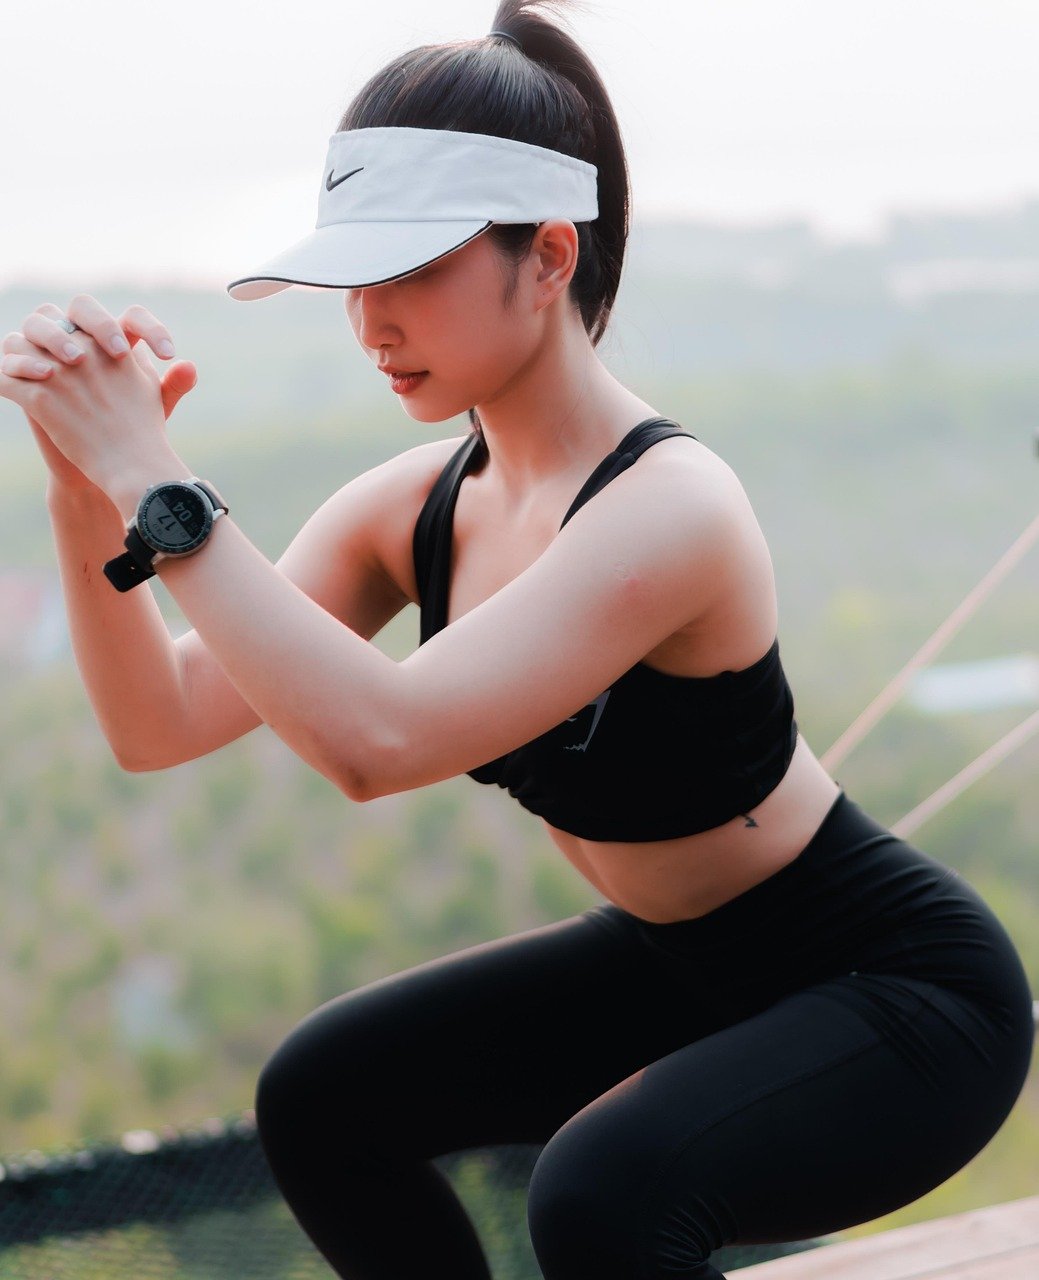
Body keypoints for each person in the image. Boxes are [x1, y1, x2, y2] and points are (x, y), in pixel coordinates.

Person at [1, 3, 1033, 1277]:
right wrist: (80, 488)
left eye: (414, 270)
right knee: (324, 1098)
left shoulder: (669, 505)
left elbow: (377, 741)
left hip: (897, 996)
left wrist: (156, 476)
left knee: (602, 1190)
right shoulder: (415, 510)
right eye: (355, 280)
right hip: (681, 964)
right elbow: (156, 723)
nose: (372, 321)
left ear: (548, 255)